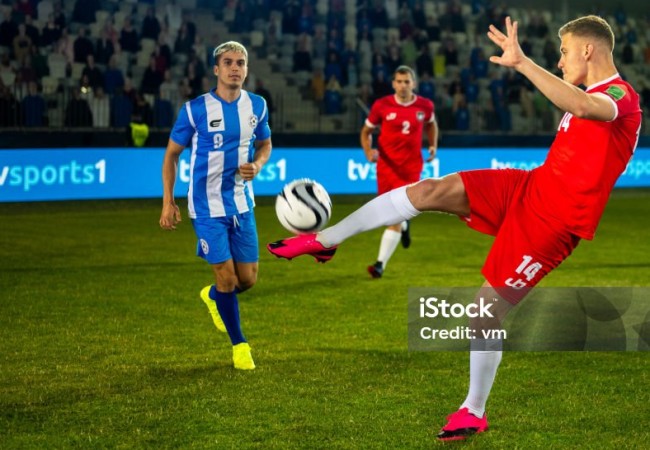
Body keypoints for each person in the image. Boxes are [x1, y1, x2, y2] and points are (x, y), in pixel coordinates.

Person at [267, 15, 641, 440]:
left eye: (564, 51)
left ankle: (473, 409)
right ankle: (326, 239)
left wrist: (521, 63)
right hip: (528, 187)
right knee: (430, 190)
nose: (559, 62)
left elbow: (582, 106)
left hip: (554, 223)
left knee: (484, 315)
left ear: (588, 50)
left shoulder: (620, 96)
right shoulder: (591, 94)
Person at [160, 41, 272, 371]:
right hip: (206, 207)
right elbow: (171, 155)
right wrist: (168, 202)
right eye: (228, 62)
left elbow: (265, 144)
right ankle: (240, 347)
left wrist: (260, 164)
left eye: (240, 62)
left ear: (246, 69)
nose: (235, 67)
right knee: (227, 280)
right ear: (216, 69)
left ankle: (212, 296)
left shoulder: (257, 106)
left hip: (241, 203)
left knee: (247, 281)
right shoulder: (195, 109)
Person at [360, 65, 437, 278]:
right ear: (394, 83)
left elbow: (431, 125)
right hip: (386, 167)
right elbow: (366, 131)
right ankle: (405, 225)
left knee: (394, 215)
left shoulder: (425, 105)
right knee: (389, 215)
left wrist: (432, 145)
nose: (403, 86)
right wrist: (368, 150)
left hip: (411, 168)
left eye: (407, 82)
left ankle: (379, 265)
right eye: (399, 82)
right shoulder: (381, 105)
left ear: (414, 83)